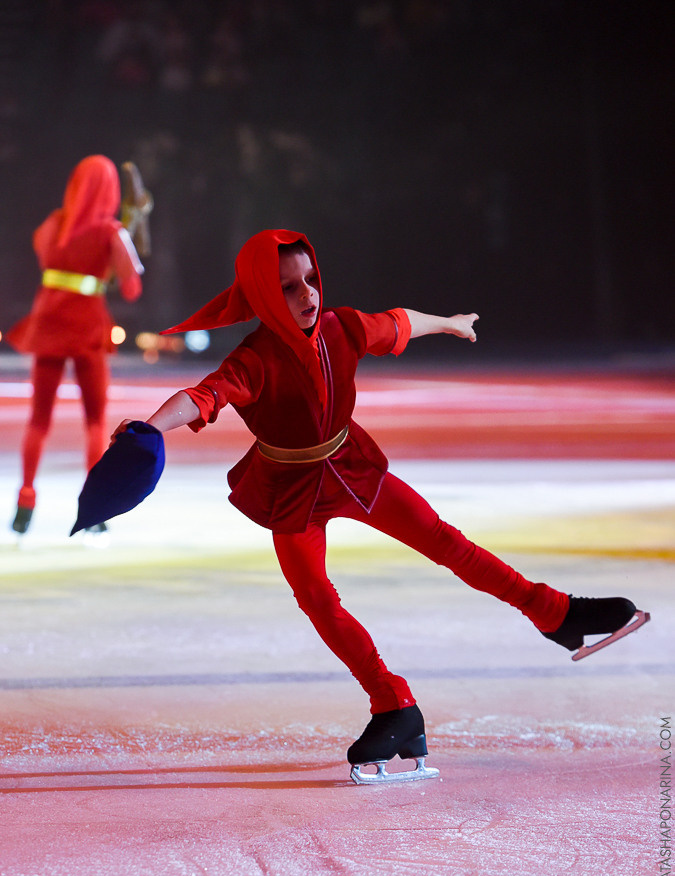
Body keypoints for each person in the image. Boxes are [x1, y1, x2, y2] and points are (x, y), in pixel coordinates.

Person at [112, 228, 646, 783]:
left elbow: (398, 321)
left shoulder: (341, 327)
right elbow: (202, 397)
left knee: (445, 541)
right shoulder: (254, 360)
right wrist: (149, 427)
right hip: (291, 486)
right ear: (265, 296)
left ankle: (554, 611)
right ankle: (393, 704)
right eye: (289, 287)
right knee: (317, 597)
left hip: (351, 468)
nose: (307, 294)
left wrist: (447, 323)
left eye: (311, 279)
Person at [8, 155, 144, 536]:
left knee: (38, 420)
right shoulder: (111, 232)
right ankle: (94, 510)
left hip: (49, 324)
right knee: (95, 421)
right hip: (87, 329)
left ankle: (25, 501)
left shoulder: (53, 224)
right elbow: (132, 290)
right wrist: (120, 251)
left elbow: (44, 253)